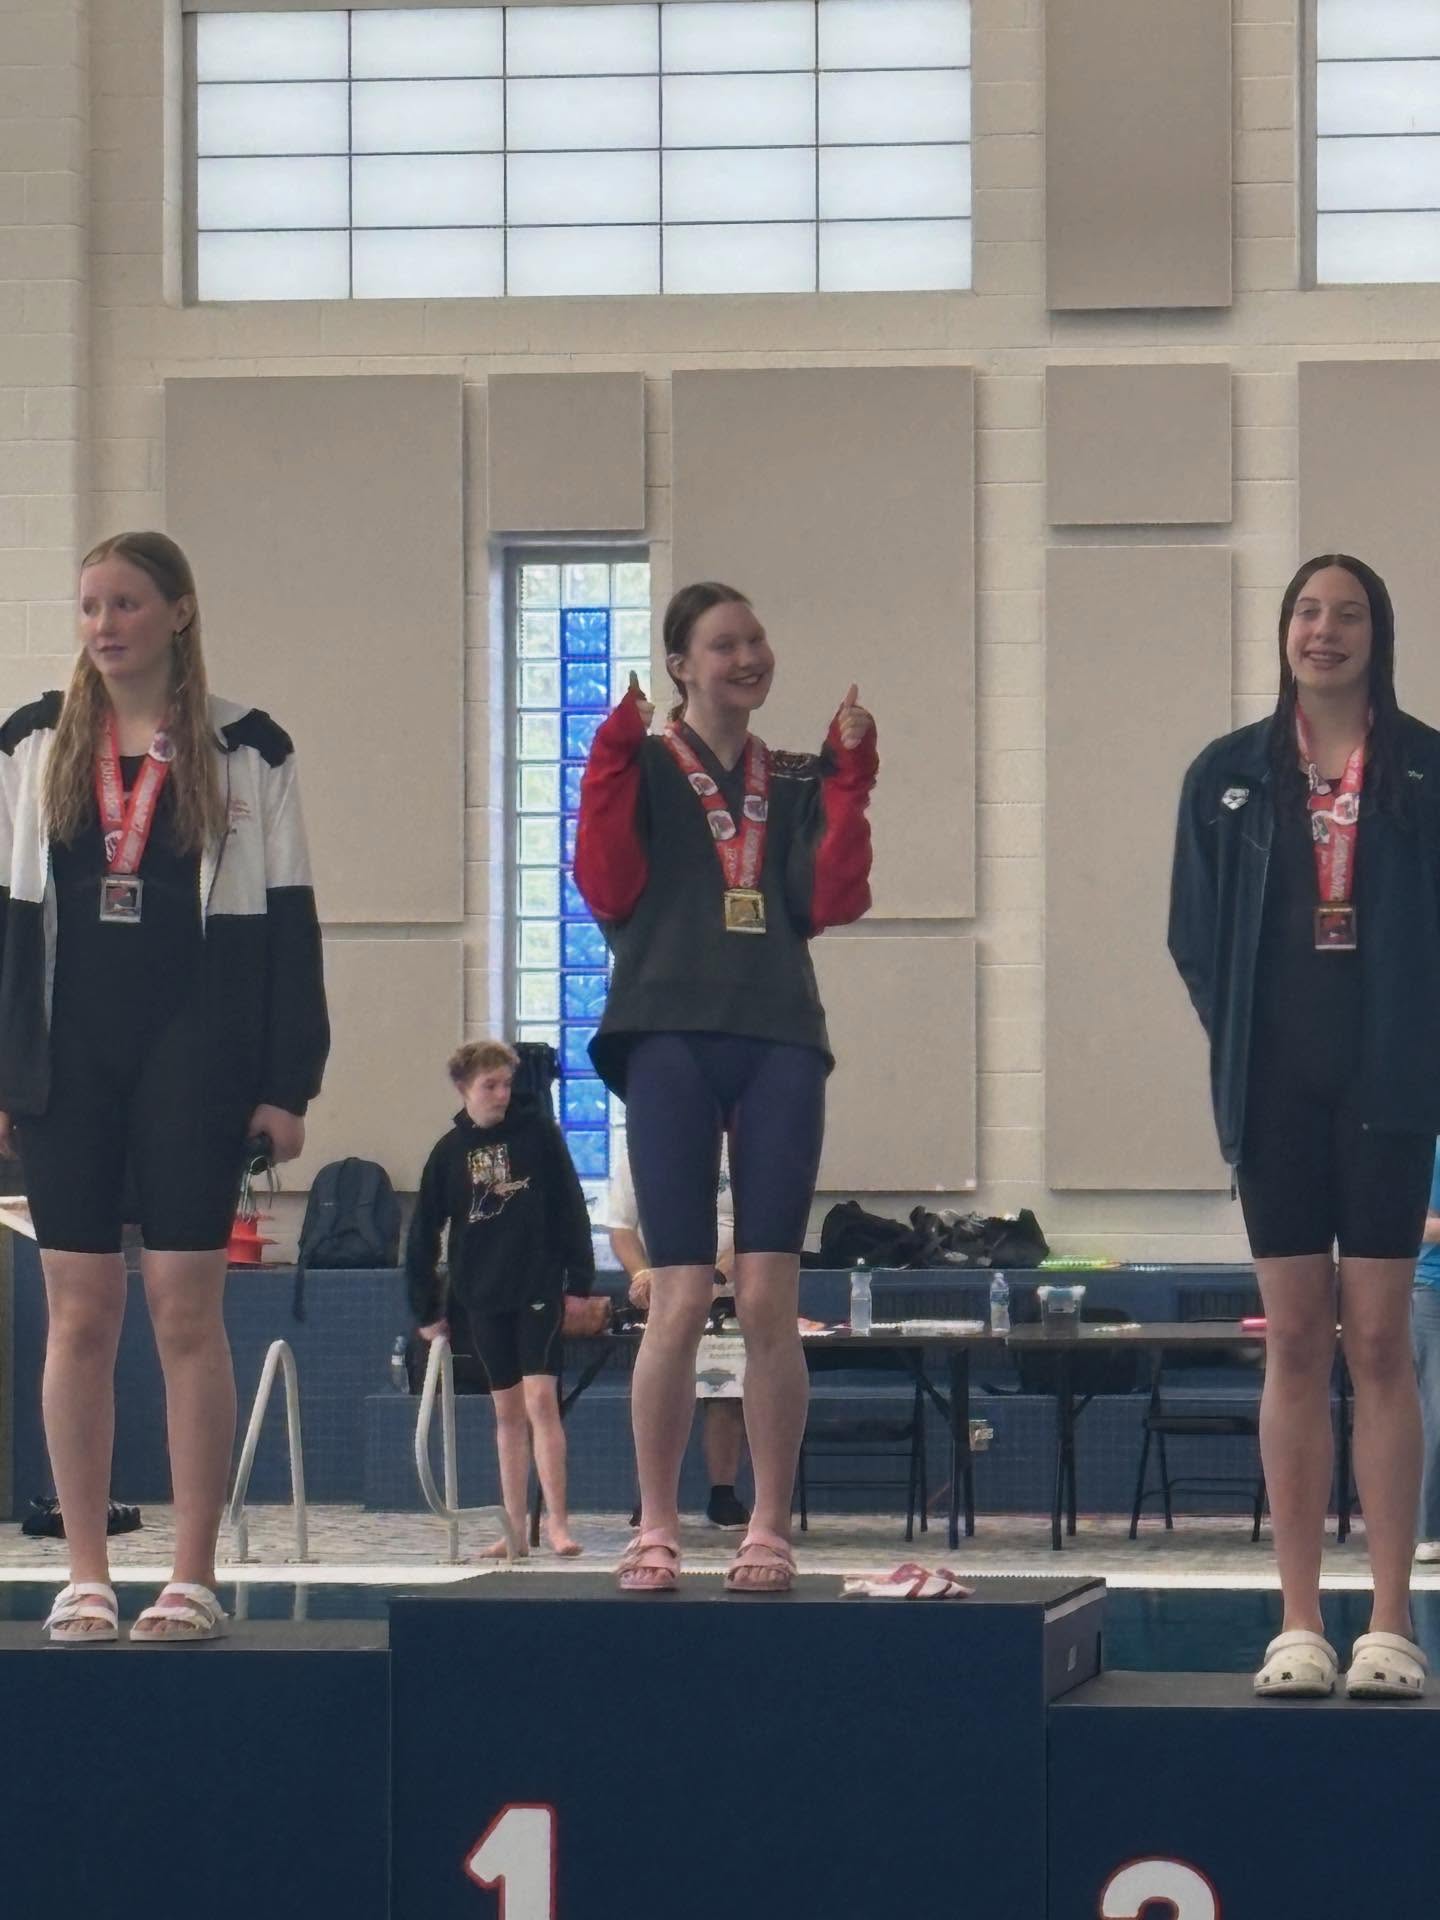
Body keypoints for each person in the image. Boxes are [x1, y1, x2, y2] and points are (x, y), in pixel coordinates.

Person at [0, 530, 329, 1642]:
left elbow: (290, 924)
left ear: (179, 612)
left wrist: (289, 1081)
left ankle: (192, 1573)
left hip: (198, 1051)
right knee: (76, 1315)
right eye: (90, 605)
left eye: (128, 603)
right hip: (67, 1056)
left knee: (186, 1311)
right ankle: (86, 1570)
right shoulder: (33, 744)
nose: (105, 625)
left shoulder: (248, 747)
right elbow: (5, 925)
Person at [1170, 553, 1440, 1699]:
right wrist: (1245, 1043)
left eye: (1349, 615)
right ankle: (1294, 1620)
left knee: (1378, 1340)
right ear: (1283, 630)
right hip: (1274, 1089)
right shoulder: (1226, 775)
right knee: (1293, 1340)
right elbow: (1193, 937)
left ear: (1380, 636)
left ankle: (1387, 1621)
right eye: (1306, 612)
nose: (1323, 631)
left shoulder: (1426, 769)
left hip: (1388, 1084)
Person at [575, 580, 877, 1593]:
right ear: (680, 665)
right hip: (664, 1032)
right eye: (723, 644)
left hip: (779, 1033)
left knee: (767, 1298)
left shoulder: (790, 777)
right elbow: (608, 885)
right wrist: (610, 763)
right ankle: (655, 1525)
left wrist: (849, 786)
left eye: (756, 638)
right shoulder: (646, 765)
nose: (748, 656)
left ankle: (769, 1524)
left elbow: (823, 901)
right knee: (676, 1292)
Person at [406, 1039, 596, 1559]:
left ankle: (556, 1523)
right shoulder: (449, 1153)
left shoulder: (538, 1135)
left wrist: (579, 1283)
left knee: (541, 1401)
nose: (500, 1094)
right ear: (465, 1088)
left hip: (536, 1286)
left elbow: (569, 1205)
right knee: (506, 1410)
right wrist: (427, 1309)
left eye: (506, 1084)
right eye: (489, 1085)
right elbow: (423, 1233)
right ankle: (513, 1527)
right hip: (482, 1294)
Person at [606, 1133, 750, 1530]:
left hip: (725, 1292)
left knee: (724, 1393)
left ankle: (723, 1493)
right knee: (658, 1393)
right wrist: (641, 1274)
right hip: (666, 1290)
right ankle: (652, 1499)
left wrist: (717, 1275)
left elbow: (754, 1228)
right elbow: (620, 1227)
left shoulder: (741, 1144)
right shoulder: (643, 1143)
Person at [1411, 1142, 1440, 1565]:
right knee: (1438, 1410)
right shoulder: (1434, 1152)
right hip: (1434, 1292)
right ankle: (1430, 1531)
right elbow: (1419, 1224)